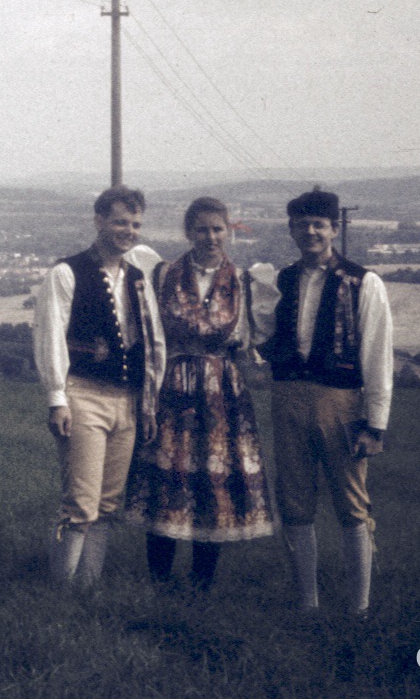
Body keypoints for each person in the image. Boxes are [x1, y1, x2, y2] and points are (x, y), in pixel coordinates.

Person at [125, 196, 278, 592]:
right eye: (201, 229)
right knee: (168, 479)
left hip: (222, 394)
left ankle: (200, 584)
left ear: (228, 230)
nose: (210, 237)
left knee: (214, 482)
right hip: (173, 388)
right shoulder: (162, 274)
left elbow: (255, 340)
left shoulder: (246, 281)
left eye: (217, 229)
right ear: (188, 232)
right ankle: (158, 581)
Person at [255, 188, 393, 616]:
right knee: (294, 500)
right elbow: (262, 338)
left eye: (319, 224)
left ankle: (359, 607)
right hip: (289, 400)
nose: (310, 231)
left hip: (342, 402)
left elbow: (377, 353)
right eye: (302, 224)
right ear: (292, 229)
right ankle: (307, 604)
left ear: (335, 228)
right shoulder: (280, 281)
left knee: (352, 503)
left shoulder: (363, 281)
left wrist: (375, 425)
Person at [33, 185, 165, 589]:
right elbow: (50, 335)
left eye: (136, 224)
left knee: (108, 504)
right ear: (99, 222)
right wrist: (58, 399)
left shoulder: (139, 277)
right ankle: (59, 592)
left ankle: (88, 588)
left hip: (126, 400)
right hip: (83, 394)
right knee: (80, 501)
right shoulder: (67, 272)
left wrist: (150, 399)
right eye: (121, 222)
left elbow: (154, 338)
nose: (129, 231)